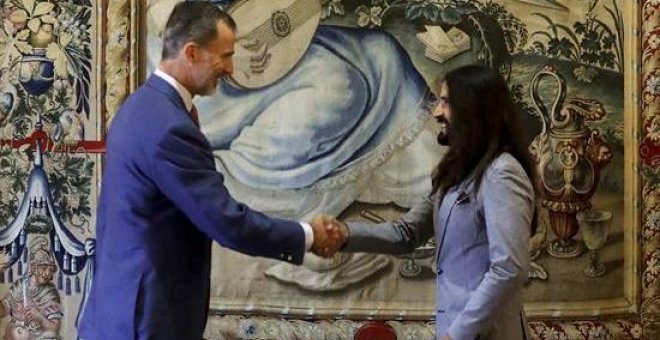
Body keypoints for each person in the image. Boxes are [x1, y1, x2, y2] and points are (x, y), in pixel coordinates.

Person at [78, 3, 341, 339]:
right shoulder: (169, 128)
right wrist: (306, 235)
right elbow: (227, 222)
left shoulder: (141, 105)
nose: (231, 69)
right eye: (225, 56)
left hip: (122, 312)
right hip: (146, 321)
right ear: (191, 52)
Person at [328, 64, 537, 339]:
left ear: (473, 109)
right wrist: (342, 234)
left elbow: (509, 267)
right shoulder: (457, 171)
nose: (437, 112)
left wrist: (458, 334)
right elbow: (406, 233)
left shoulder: (502, 172)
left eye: (446, 102)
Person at [0, 237, 63, 340]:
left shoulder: (50, 292)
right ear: (34, 268)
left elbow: (55, 328)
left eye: (51, 270)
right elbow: (3, 311)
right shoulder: (19, 285)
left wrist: (39, 317)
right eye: (44, 268)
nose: (47, 273)